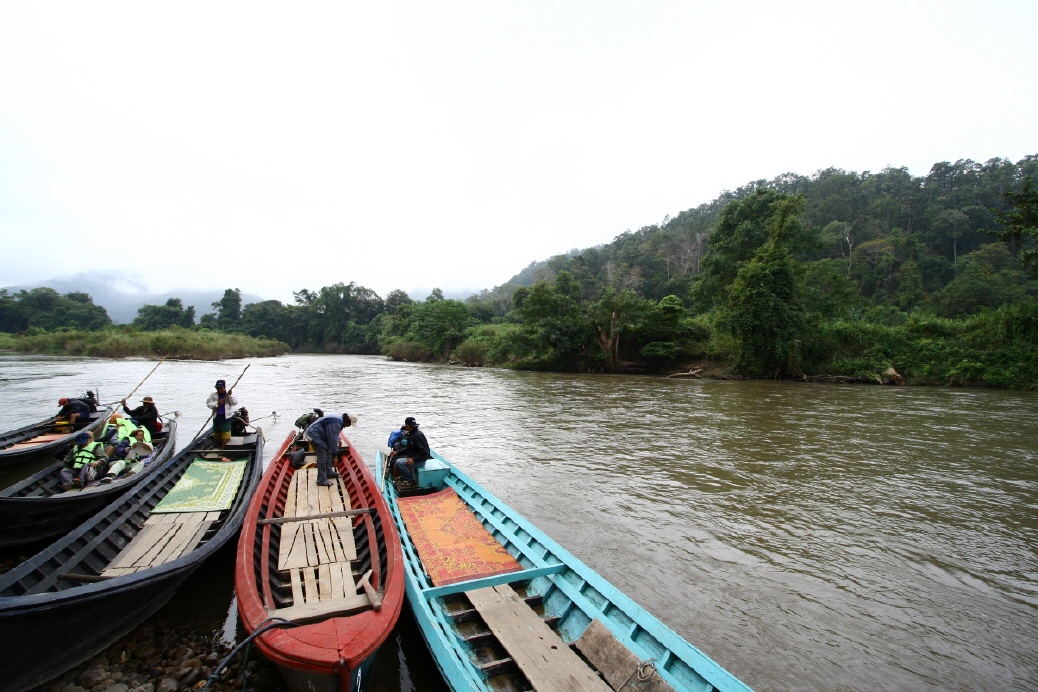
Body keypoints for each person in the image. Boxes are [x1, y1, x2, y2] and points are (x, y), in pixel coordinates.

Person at [305, 412, 357, 487]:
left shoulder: (339, 421)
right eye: (350, 424)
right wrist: (335, 456)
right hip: (314, 435)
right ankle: (321, 480)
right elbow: (332, 439)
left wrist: (338, 440)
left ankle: (329, 473)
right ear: (347, 421)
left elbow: (333, 434)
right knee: (322, 456)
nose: (349, 426)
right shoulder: (336, 423)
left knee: (328, 451)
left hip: (321, 435)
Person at [391, 417, 430, 487]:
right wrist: (397, 452)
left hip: (420, 461)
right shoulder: (412, 434)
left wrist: (414, 460)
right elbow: (408, 449)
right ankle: (404, 476)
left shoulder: (417, 436)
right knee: (396, 458)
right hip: (414, 457)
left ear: (408, 425)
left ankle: (409, 480)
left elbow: (425, 452)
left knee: (399, 462)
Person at [206, 379, 239, 449]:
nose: (219, 389)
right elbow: (208, 404)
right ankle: (218, 445)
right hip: (216, 417)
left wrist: (229, 396)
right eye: (217, 388)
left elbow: (234, 403)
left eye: (221, 388)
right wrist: (217, 403)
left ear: (224, 387)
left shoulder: (230, 394)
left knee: (226, 434)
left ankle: (222, 448)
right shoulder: (213, 395)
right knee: (217, 433)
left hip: (226, 417)